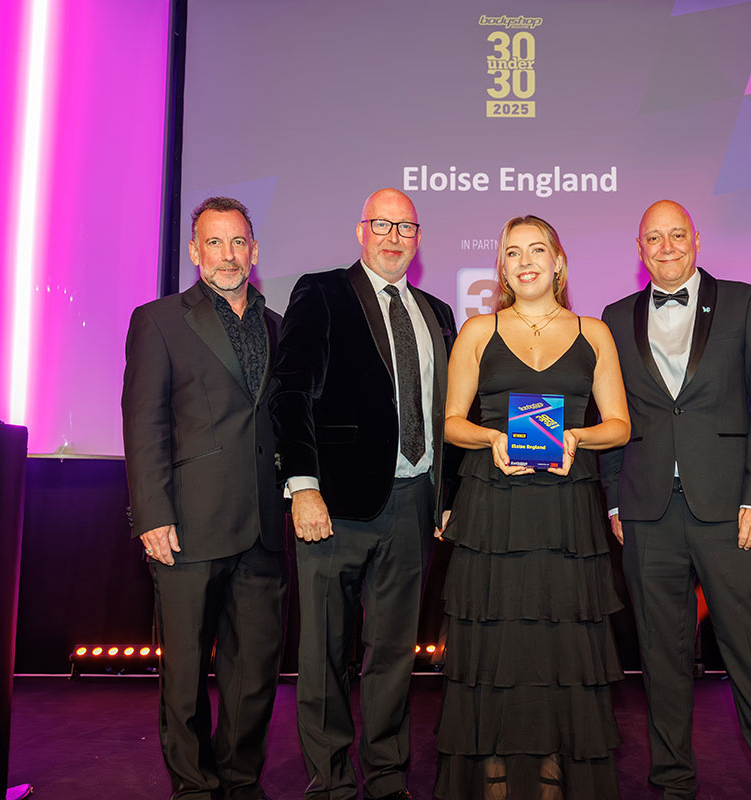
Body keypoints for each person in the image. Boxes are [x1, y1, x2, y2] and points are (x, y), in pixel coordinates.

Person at [600, 200, 751, 800]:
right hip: (646, 513)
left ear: (696, 240)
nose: (666, 247)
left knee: (750, 656)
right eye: (653, 238)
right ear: (639, 249)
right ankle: (673, 783)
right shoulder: (614, 317)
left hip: (729, 511)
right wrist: (615, 501)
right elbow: (612, 415)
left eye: (676, 235)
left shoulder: (744, 302)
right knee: (661, 660)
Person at [434, 215, 630, 800]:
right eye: (513, 252)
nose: (525, 262)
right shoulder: (478, 330)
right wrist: (492, 439)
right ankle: (495, 779)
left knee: (559, 646)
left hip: (568, 513)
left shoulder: (595, 333)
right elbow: (451, 422)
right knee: (497, 646)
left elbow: (619, 425)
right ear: (502, 267)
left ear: (558, 262)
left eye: (537, 250)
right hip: (493, 510)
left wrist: (577, 437)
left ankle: (551, 778)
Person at [269, 188, 457, 800]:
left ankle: (386, 776)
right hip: (334, 506)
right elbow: (290, 392)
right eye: (382, 224)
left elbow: (448, 411)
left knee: (394, 653)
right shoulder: (322, 292)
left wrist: (446, 493)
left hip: (414, 503)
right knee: (325, 651)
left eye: (406, 227)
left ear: (418, 239)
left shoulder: (438, 313)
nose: (393, 237)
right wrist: (303, 486)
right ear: (360, 231)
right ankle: (330, 782)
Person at [122, 196, 287, 800]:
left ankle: (241, 782)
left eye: (238, 242)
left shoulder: (276, 325)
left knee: (255, 674)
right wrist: (152, 514)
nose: (227, 255)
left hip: (264, 526)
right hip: (187, 525)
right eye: (214, 243)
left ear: (254, 250)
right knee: (186, 672)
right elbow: (144, 423)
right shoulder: (159, 320)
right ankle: (193, 788)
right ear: (195, 252)